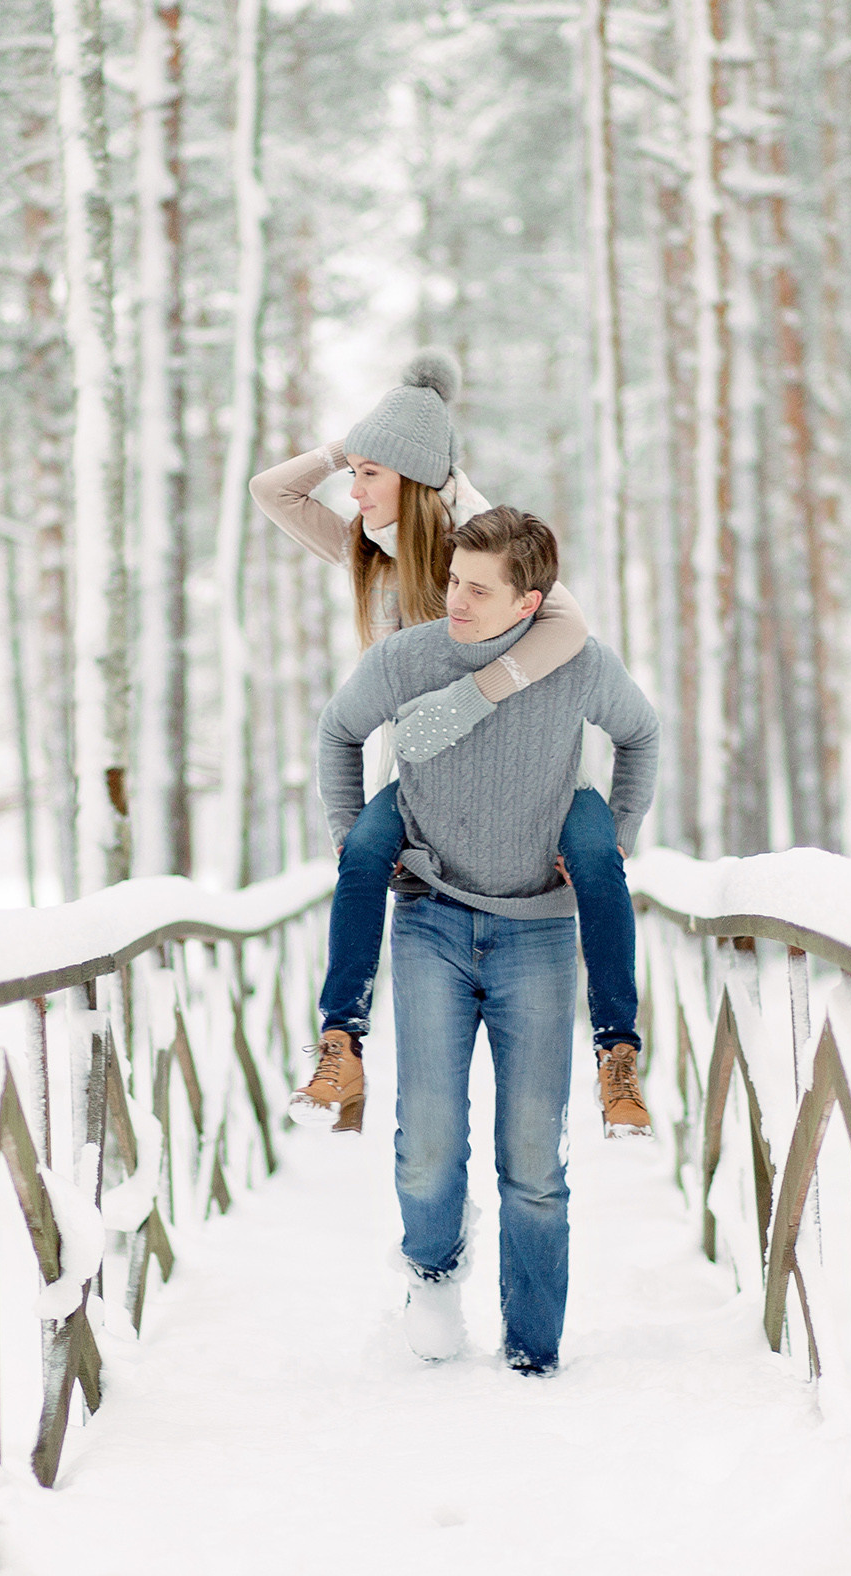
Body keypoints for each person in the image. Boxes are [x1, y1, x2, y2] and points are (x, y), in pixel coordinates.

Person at [250, 352, 649, 1139]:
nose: (354, 490)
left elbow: (569, 626)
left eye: (370, 475)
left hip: (532, 773)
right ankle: (341, 1044)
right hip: (428, 781)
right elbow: (273, 490)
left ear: (415, 479)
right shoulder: (367, 550)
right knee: (362, 851)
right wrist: (349, 448)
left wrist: (477, 694)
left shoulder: (472, 556)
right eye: (354, 474)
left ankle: (618, 1052)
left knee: (599, 859)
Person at [316, 508, 661, 1374]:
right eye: (453, 581)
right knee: (428, 1145)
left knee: (535, 1163)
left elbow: (641, 732)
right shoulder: (406, 659)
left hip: (537, 933)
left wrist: (616, 837)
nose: (455, 601)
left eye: (478, 589)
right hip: (431, 919)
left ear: (527, 603)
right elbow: (339, 730)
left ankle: (533, 1352)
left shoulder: (580, 666)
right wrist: (351, 837)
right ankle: (432, 1275)